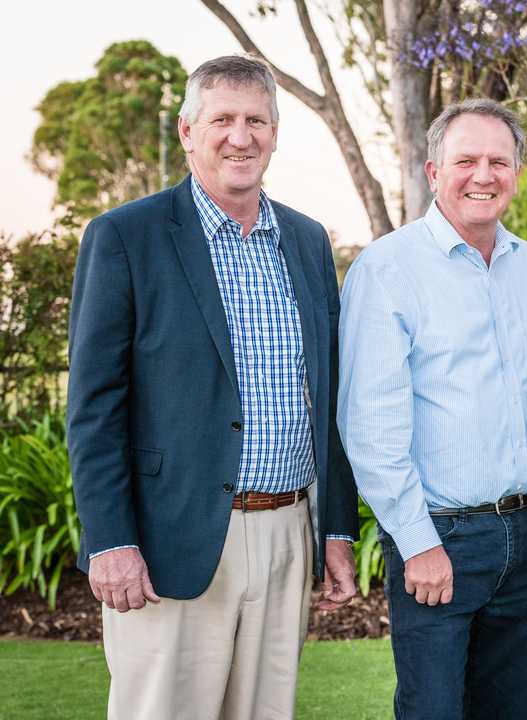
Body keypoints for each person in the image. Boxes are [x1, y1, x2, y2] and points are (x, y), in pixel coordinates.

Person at [66, 54, 358, 720]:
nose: (240, 136)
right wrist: (111, 540)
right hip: (173, 538)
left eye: (256, 120)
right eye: (222, 118)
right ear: (187, 130)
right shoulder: (126, 237)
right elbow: (93, 408)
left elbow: (330, 395)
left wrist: (336, 527)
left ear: (275, 133)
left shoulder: (307, 241)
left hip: (287, 532)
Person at [337, 98, 527, 720]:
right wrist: (418, 543)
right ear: (435, 172)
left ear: (517, 171)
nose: (483, 175)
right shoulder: (387, 270)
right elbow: (369, 427)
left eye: (500, 161)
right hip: (441, 538)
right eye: (466, 161)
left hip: (525, 535)